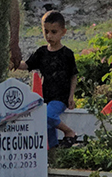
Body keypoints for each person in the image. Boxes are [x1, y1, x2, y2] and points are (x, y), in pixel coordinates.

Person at [18, 11, 78, 148]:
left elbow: (73, 76)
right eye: (46, 31)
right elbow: (27, 65)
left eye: (54, 32)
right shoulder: (42, 52)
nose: (49, 36)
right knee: (45, 122)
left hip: (61, 97)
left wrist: (71, 96)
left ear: (63, 32)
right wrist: (14, 63)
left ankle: (69, 132)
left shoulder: (67, 54)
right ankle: (52, 147)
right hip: (46, 96)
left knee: (47, 115)